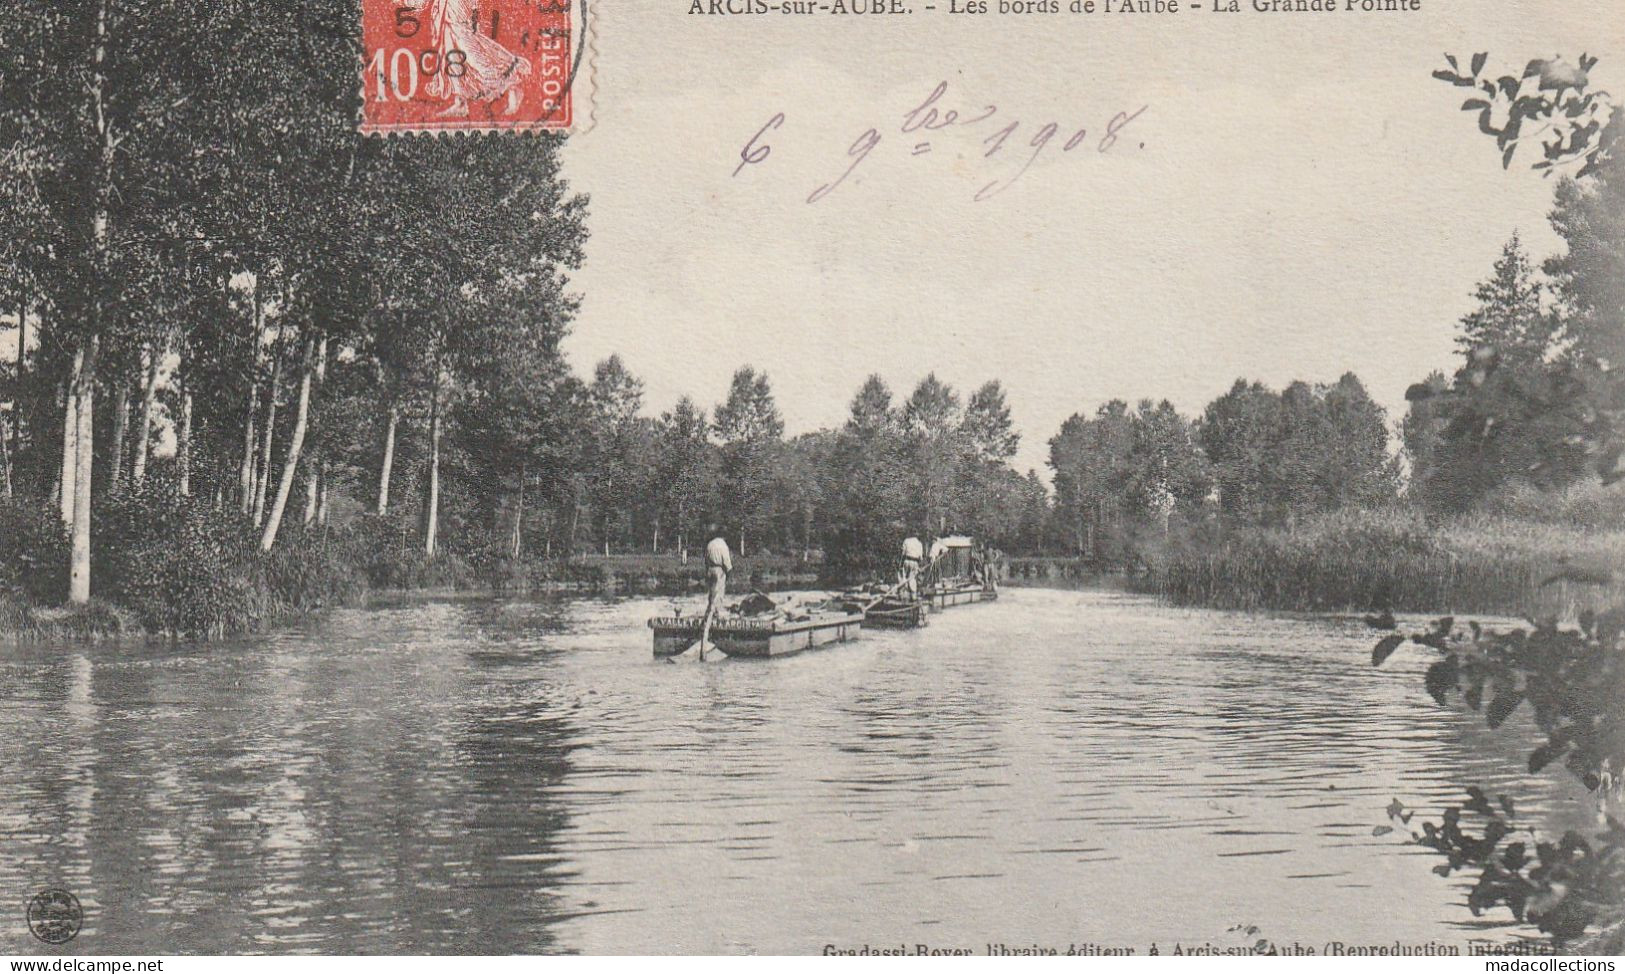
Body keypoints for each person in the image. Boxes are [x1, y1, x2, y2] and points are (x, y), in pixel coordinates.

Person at [697, 530, 733, 660]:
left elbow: (705, 559)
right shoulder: (723, 545)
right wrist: (728, 572)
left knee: (711, 593)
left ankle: (710, 612)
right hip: (719, 569)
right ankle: (715, 614)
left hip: (710, 569)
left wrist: (707, 570)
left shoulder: (710, 544)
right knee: (719, 593)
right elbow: (726, 561)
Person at [899, 534, 924, 600]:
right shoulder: (919, 543)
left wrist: (901, 564)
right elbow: (920, 557)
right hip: (915, 562)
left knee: (904, 577)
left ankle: (903, 595)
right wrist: (919, 566)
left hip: (907, 561)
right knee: (912, 578)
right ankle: (913, 596)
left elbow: (903, 554)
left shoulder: (906, 541)